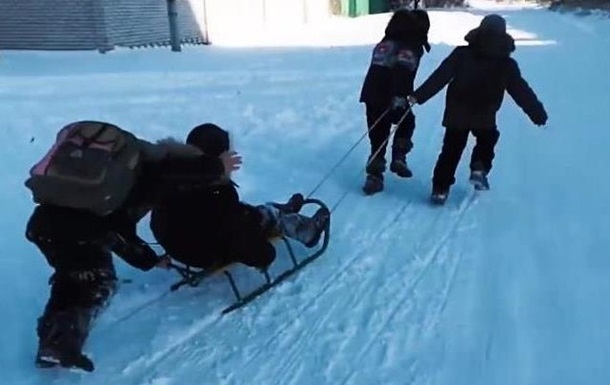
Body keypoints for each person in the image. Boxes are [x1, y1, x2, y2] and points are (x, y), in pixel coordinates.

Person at [24, 120, 241, 371]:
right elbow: (118, 229)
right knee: (98, 282)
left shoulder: (127, 166)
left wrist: (150, 260)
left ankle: (51, 346)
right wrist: (217, 167)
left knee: (73, 277)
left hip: (43, 224)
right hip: (80, 229)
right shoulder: (148, 174)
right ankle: (64, 343)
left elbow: (118, 228)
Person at [150, 123, 331, 273]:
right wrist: (265, 254)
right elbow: (237, 238)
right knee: (258, 219)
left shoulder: (174, 175)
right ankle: (303, 230)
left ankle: (276, 211)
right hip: (203, 252)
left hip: (176, 245)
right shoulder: (217, 193)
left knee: (245, 214)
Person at [408, 14, 548, 204]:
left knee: (451, 149)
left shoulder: (461, 54)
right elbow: (520, 90)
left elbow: (439, 77)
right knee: (487, 138)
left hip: (457, 110)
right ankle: (479, 167)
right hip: (485, 111)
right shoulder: (506, 64)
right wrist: (537, 113)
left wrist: (418, 96)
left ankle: (440, 189)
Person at [359, 8, 431, 195]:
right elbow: (402, 70)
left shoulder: (385, 43)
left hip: (371, 94)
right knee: (407, 122)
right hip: (393, 94)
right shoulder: (410, 45)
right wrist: (399, 96)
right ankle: (399, 157)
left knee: (378, 135)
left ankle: (374, 177)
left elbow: (377, 70)